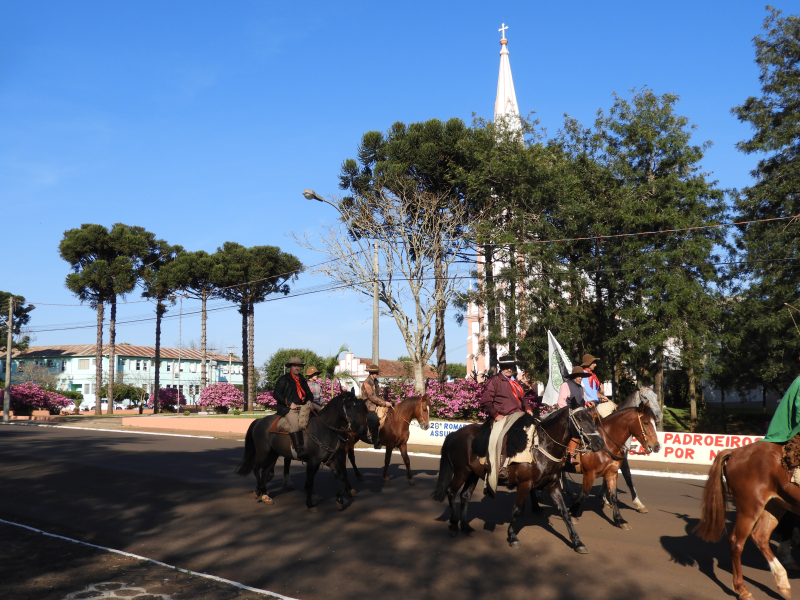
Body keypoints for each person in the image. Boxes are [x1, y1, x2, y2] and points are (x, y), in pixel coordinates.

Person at [480, 355, 533, 490]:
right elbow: (485, 401)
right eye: (506, 366)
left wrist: (528, 408)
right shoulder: (494, 381)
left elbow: (524, 398)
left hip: (518, 414)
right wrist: (496, 415)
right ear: (501, 367)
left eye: (511, 366)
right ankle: (502, 467)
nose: (509, 369)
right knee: (506, 433)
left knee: (536, 427)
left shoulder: (515, 381)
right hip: (502, 415)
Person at [273, 356, 313, 458]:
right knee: (295, 423)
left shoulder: (302, 380)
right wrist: (289, 403)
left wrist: (309, 400)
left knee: (318, 415)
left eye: (298, 366)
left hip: (303, 406)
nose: (297, 368)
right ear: (290, 367)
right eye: (295, 366)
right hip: (288, 408)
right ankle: (299, 449)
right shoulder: (283, 379)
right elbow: (276, 394)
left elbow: (309, 393)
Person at [557, 366, 595, 464]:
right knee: (577, 429)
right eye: (578, 376)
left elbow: (581, 403)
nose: (580, 378)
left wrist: (587, 404)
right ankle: (571, 455)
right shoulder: (566, 385)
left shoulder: (581, 388)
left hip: (578, 414)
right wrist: (570, 412)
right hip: (567, 414)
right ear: (573, 376)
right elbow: (561, 402)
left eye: (581, 376)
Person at [361, 364, 392, 449]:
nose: (377, 374)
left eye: (377, 373)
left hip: (377, 404)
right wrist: (384, 403)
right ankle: (375, 440)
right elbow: (371, 397)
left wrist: (383, 402)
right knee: (375, 420)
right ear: (371, 373)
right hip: (368, 406)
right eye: (376, 373)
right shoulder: (366, 383)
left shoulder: (375, 382)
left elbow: (377, 395)